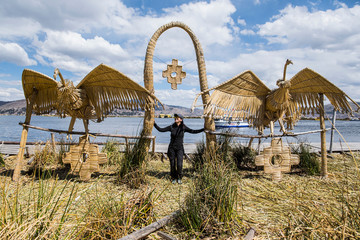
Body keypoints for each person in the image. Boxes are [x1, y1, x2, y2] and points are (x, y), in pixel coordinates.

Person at [154, 113, 204, 184]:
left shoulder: (183, 127)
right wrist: (154, 124)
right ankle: (173, 177)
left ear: (181, 119)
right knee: (172, 164)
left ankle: (179, 177)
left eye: (177, 117)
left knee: (179, 164)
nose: (175, 118)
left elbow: (193, 131)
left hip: (180, 148)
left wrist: (203, 129)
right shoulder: (171, 127)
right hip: (171, 148)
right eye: (175, 117)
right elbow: (161, 130)